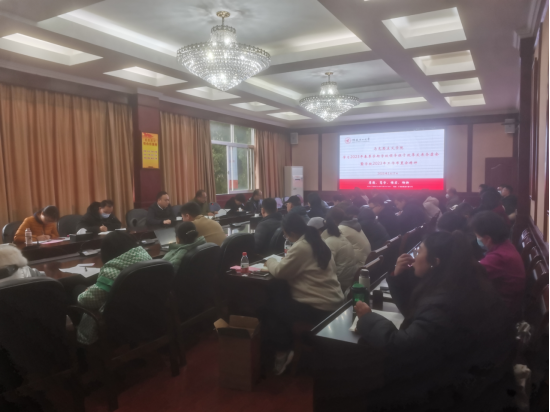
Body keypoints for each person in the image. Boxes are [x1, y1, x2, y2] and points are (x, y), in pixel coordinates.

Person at [354, 231, 516, 411]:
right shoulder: (463, 281)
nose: (414, 257)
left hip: (458, 390)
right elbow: (417, 312)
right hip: (476, 375)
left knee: (370, 390)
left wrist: (367, 318)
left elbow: (402, 346)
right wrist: (398, 278)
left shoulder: (445, 303)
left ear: (435, 262)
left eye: (420, 252)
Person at [265, 213, 344, 375]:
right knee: (280, 300)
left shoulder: (302, 246)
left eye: (285, 235)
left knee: (269, 309)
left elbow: (279, 271)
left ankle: (282, 351)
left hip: (318, 308)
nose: (286, 237)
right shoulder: (318, 241)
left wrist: (270, 261)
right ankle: (286, 348)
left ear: (292, 233)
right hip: (333, 303)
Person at [76, 232, 152, 344]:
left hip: (118, 323)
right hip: (146, 315)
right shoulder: (148, 260)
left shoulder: (112, 271)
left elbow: (87, 301)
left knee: (78, 289)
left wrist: (83, 294)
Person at [470, 211, 526, 319]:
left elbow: (471, 274)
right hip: (506, 304)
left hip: (503, 313)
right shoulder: (505, 245)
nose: (477, 239)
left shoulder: (499, 257)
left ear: (487, 238)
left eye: (477, 236)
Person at [308, 217, 358, 293]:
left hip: (339, 285)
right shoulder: (340, 237)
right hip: (348, 281)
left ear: (317, 231)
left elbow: (323, 269)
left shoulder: (327, 243)